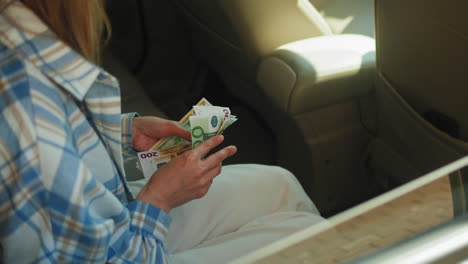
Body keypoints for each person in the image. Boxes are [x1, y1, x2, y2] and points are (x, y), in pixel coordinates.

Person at [0, 0, 324, 263]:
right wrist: (158, 201)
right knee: (310, 237)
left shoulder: (21, 40)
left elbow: (62, 133)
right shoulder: (26, 112)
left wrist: (122, 130)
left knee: (280, 184)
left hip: (110, 214)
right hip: (120, 248)